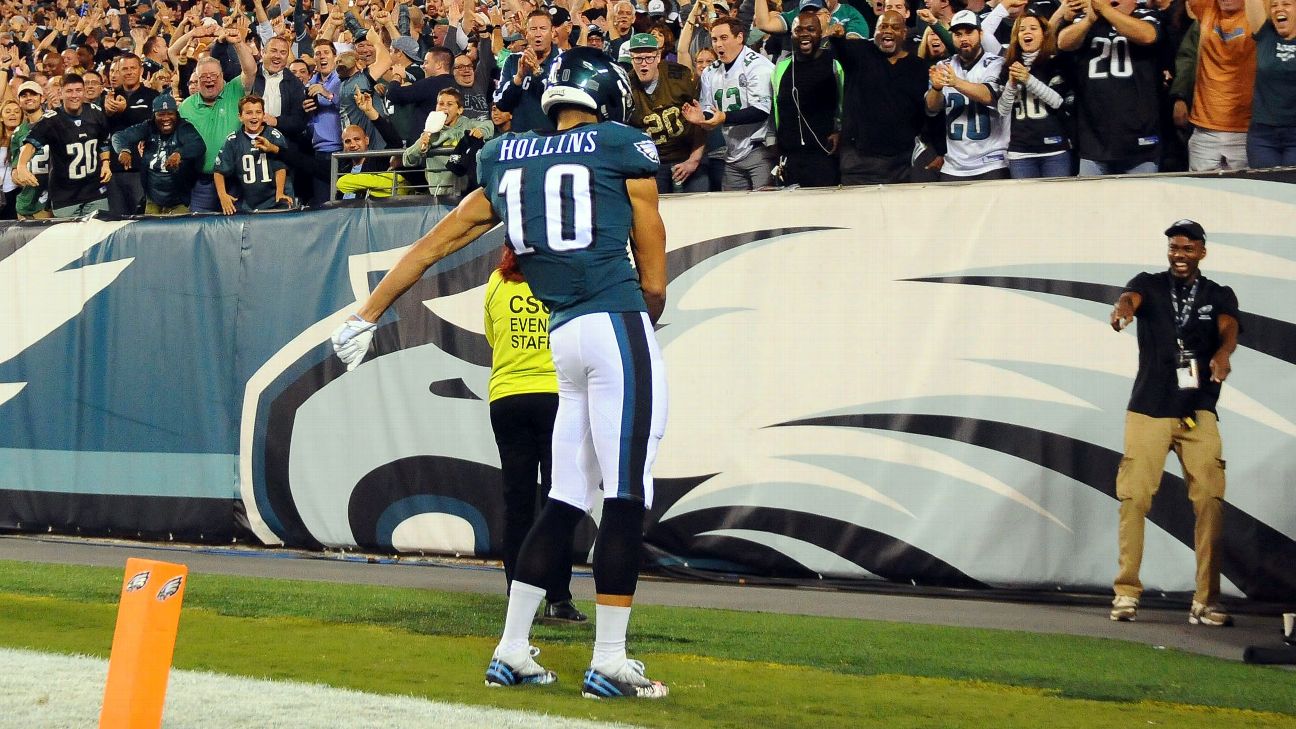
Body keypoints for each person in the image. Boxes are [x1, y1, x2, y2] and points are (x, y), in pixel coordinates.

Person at [331, 46, 669, 700]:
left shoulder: (507, 158)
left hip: (562, 337)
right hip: (614, 323)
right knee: (627, 493)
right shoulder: (625, 147)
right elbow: (652, 276)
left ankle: (512, 647)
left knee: (566, 494)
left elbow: (435, 244)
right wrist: (648, 320)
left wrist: (367, 313)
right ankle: (610, 658)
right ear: (609, 95)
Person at [1108, 220, 1239, 628]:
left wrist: (1223, 353)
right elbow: (1130, 298)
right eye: (1173, 248)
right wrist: (1123, 310)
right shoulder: (1148, 283)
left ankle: (1206, 600)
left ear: (1202, 252)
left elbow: (1229, 326)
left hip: (1197, 410)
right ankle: (1126, 594)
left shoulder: (1218, 294)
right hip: (1149, 408)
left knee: (1210, 502)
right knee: (1133, 499)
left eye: (1186, 248)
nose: (1178, 255)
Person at [483, 246, 588, 625]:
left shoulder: (496, 283)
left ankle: (518, 596)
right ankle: (558, 599)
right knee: (558, 500)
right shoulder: (560, 279)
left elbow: (494, 338)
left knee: (517, 504)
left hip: (507, 398)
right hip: (554, 396)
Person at [1058, 0, 1162, 176]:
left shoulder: (1147, 15)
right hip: (1094, 139)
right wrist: (1089, 20)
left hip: (1139, 140)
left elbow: (1147, 35)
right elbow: (1063, 42)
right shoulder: (1086, 20)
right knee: (1094, 203)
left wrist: (1105, 10)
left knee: (1140, 202)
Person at [684, 17, 775, 190]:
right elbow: (710, 111)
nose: (718, 44)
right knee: (734, 211)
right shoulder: (710, 71)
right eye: (715, 39)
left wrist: (723, 117)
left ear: (739, 37)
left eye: (724, 38)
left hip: (760, 149)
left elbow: (761, 110)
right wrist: (702, 118)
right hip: (731, 153)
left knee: (765, 208)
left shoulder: (758, 66)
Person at [14, 73, 112, 218]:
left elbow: (103, 141)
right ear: (61, 92)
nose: (74, 95)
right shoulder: (51, 120)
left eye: (78, 90)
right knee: (69, 239)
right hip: (65, 195)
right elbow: (31, 144)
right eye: (69, 91)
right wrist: (21, 165)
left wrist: (105, 162)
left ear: (84, 91)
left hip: (95, 191)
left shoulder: (95, 112)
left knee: (97, 237)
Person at [925, 10, 1009, 180]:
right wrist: (936, 88)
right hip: (954, 165)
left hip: (992, 162)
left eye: (969, 32)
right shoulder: (943, 65)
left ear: (981, 33)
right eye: (958, 34)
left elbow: (989, 96)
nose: (963, 39)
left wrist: (955, 82)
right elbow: (931, 109)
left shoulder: (996, 63)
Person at [1183, 0, 1262, 171]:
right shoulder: (1207, 9)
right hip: (1205, 130)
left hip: (1245, 130)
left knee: (1246, 196)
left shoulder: (1258, 14)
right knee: (1201, 196)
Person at [624, 33, 707, 192]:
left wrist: (694, 160)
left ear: (658, 57)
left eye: (649, 58)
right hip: (652, 163)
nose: (644, 64)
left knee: (700, 202)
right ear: (631, 59)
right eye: (638, 58)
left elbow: (700, 122)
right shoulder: (626, 88)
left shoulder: (679, 76)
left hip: (687, 154)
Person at [995, 10, 1073, 178]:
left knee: (1057, 202)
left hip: (1055, 149)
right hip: (1020, 151)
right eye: (1022, 29)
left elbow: (1058, 101)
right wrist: (1011, 84)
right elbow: (1002, 110)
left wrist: (1028, 79)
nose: (1027, 32)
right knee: (1025, 203)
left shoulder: (1055, 62)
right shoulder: (1008, 66)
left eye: (1033, 28)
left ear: (1044, 34)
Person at [770, 9, 842, 187]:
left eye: (810, 29)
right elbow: (775, 108)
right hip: (790, 157)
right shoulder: (781, 67)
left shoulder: (834, 63)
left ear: (820, 33)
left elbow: (846, 102)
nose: (804, 34)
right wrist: (774, 142)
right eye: (798, 30)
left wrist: (841, 130)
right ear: (791, 34)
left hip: (825, 155)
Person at [111, 93, 206, 215]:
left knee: (177, 234)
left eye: (170, 113)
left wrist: (179, 154)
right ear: (154, 116)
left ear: (176, 114)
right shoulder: (148, 127)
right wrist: (123, 150)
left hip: (178, 202)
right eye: (161, 114)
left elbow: (198, 145)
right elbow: (119, 137)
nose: (166, 118)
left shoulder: (184, 128)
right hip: (153, 200)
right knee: (150, 233)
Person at [402, 87, 493, 198]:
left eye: (449, 104)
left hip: (465, 193)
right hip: (439, 195)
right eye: (440, 104)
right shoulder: (430, 132)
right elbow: (407, 159)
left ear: (459, 110)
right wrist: (421, 146)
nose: (444, 107)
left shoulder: (467, 124)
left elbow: (488, 125)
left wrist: (481, 131)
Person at [213, 95, 294, 213]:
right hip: (247, 204)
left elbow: (280, 167)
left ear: (263, 115)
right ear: (240, 117)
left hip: (274, 202)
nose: (254, 117)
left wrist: (280, 192)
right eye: (249, 113)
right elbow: (219, 170)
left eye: (258, 112)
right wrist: (222, 195)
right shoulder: (233, 140)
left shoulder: (274, 136)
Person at [103, 53, 158, 216]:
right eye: (124, 69)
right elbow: (102, 130)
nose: (128, 72)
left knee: (140, 219)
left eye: (133, 68)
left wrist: (125, 111)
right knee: (116, 219)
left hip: (140, 170)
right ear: (117, 72)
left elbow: (152, 125)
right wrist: (106, 112)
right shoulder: (108, 97)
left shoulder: (152, 96)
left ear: (140, 70)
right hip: (114, 170)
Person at [494, 10, 562, 132]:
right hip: (522, 141)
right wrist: (518, 78)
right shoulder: (513, 60)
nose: (538, 34)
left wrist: (538, 72)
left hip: (553, 139)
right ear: (526, 34)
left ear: (552, 32)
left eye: (543, 28)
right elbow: (500, 102)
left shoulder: (563, 60)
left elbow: (561, 100)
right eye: (533, 29)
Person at [1248, 0, 1296, 166]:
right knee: (1264, 190)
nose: (1279, 9)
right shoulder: (1266, 31)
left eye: (1286, 4)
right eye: (1274, 5)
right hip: (1263, 135)